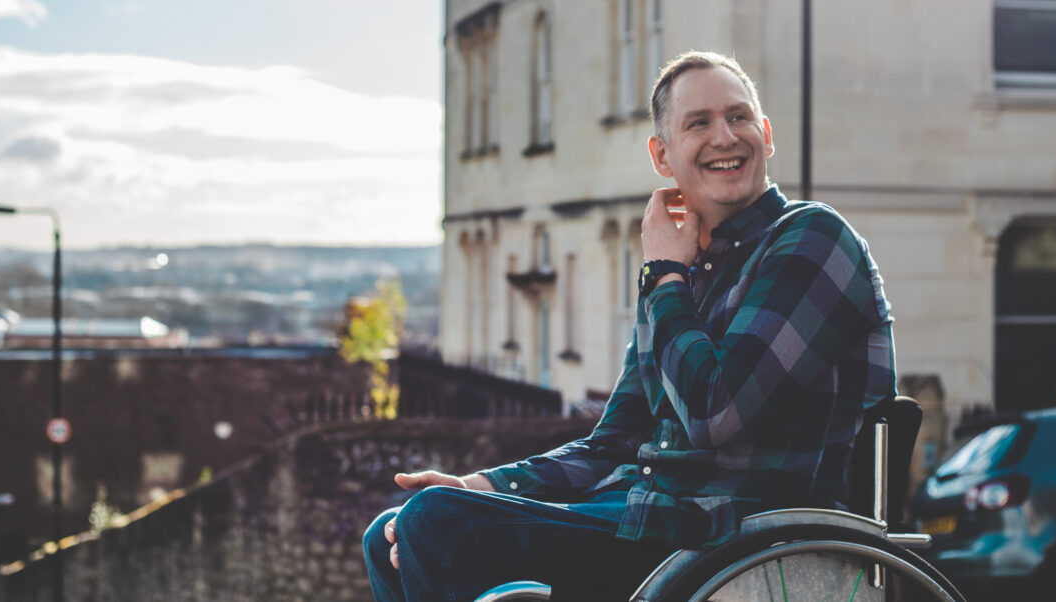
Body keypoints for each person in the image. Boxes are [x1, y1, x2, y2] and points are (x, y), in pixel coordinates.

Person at [364, 50, 897, 602]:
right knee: (391, 531)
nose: (724, 136)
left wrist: (665, 276)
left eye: (739, 117)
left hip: (744, 540)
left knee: (436, 523)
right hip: (654, 525)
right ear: (662, 156)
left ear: (765, 133)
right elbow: (614, 442)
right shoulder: (680, 275)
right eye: (699, 123)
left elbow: (715, 411)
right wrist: (479, 485)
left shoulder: (812, 239)